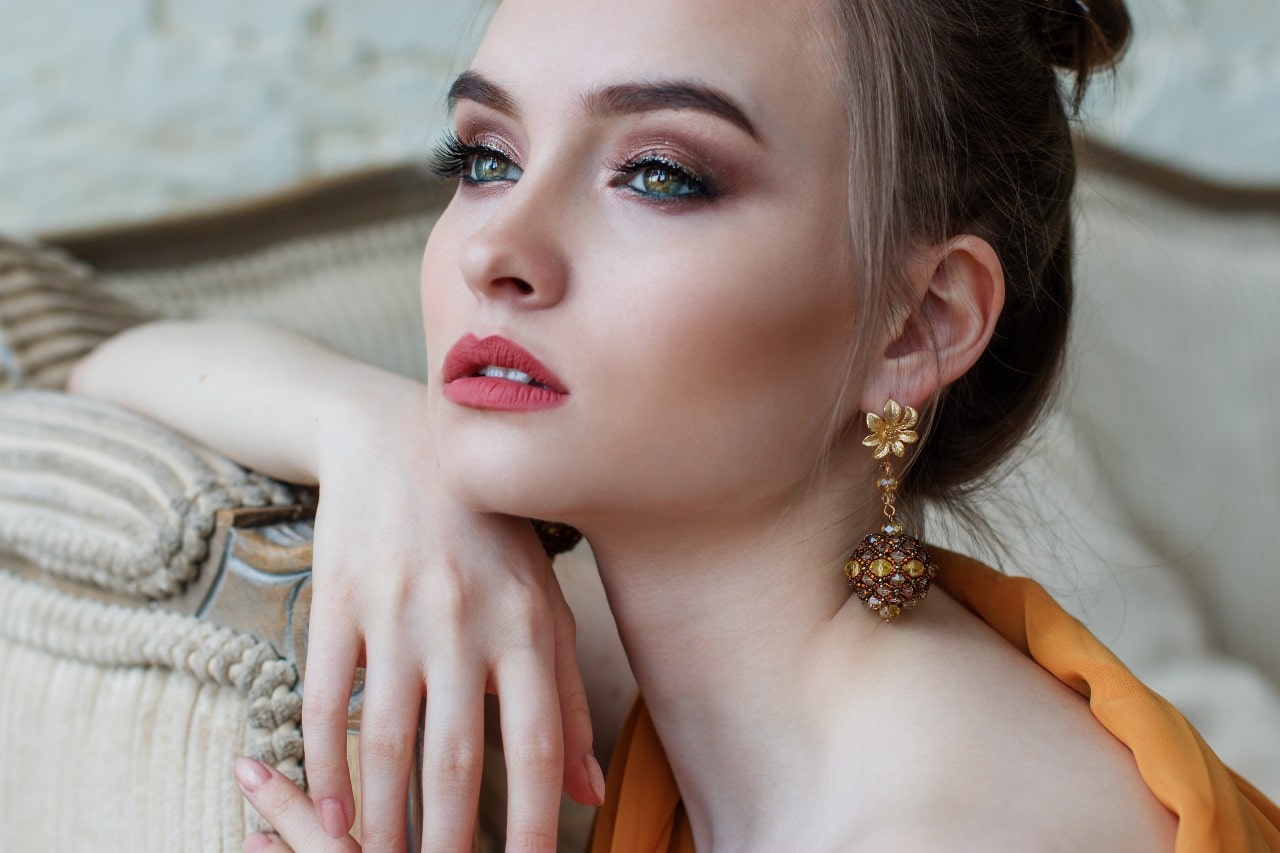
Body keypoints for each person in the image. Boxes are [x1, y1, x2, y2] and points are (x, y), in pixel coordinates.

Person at [68, 0, 1280, 849]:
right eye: (484, 154)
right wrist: (372, 433)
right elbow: (67, 350)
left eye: (661, 174)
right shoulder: (637, 659)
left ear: (913, 323)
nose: (495, 247)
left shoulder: (956, 825)